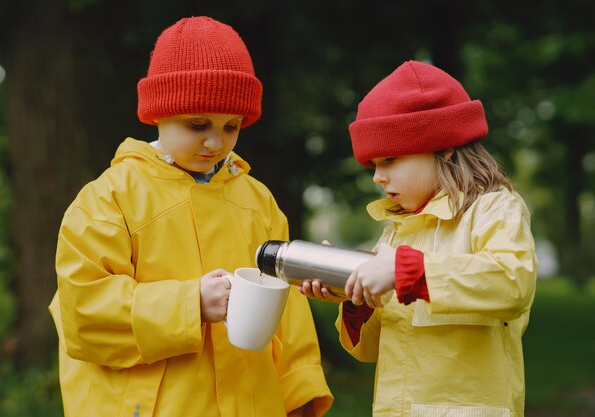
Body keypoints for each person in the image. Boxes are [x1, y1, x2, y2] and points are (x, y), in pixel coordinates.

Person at [49, 16, 333, 417]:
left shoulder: (259, 201)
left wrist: (299, 394)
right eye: (198, 124)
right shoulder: (107, 199)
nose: (216, 142)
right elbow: (84, 315)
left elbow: (289, 316)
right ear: (158, 114)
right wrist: (190, 304)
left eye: (232, 126)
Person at [300, 60, 537, 417]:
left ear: (445, 148)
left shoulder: (495, 209)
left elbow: (512, 283)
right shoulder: (396, 233)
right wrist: (356, 301)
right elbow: (372, 350)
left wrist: (408, 271)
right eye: (373, 165)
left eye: (390, 160)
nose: (378, 177)